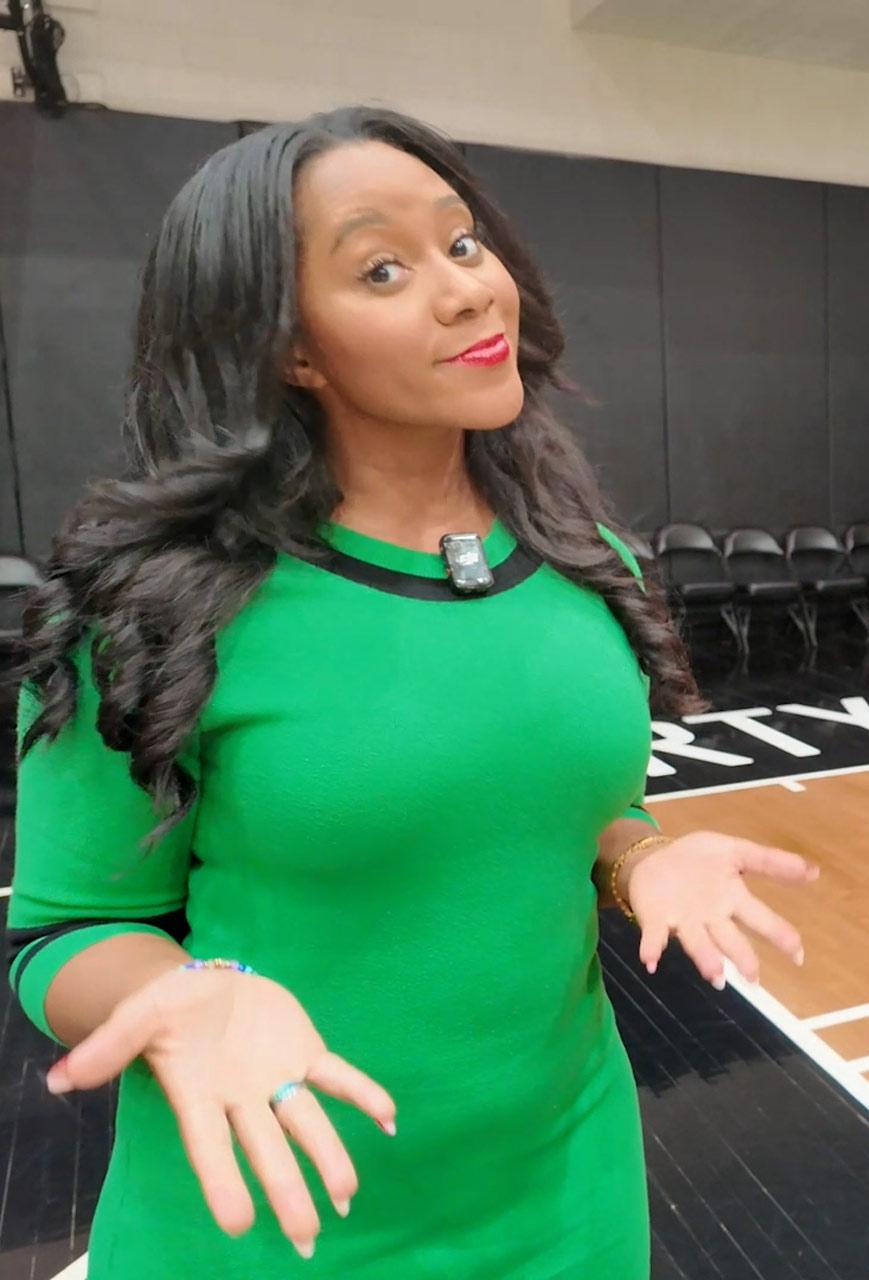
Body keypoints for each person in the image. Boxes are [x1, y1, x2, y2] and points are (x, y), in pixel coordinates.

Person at [6, 106, 815, 1278]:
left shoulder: (589, 564)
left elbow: (549, 810)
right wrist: (190, 993)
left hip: (567, 1205)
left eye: (464, 244)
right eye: (383, 268)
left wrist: (638, 854)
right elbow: (65, 927)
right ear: (289, 343)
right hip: (274, 1227)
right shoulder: (154, 605)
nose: (465, 290)